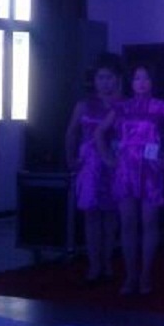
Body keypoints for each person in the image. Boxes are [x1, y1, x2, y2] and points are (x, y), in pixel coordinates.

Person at [96, 62, 164, 295]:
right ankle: (131, 275)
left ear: (152, 82)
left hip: (150, 169)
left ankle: (145, 275)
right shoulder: (121, 106)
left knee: (149, 223)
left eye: (145, 78)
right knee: (128, 224)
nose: (141, 83)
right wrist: (108, 158)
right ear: (130, 82)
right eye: (136, 78)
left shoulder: (160, 106)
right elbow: (99, 132)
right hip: (125, 169)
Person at [65, 52, 124, 285]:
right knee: (91, 214)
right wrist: (70, 158)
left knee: (111, 215)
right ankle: (94, 264)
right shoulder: (83, 105)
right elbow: (71, 132)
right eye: (101, 78)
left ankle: (107, 261)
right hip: (89, 164)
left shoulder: (124, 105)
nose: (105, 82)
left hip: (114, 163)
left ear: (117, 79)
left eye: (109, 77)